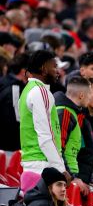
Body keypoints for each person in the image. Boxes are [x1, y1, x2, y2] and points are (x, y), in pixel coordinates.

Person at [18, 50, 69, 193]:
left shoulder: (27, 91)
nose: (58, 71)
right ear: (44, 68)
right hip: (42, 165)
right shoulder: (40, 92)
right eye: (54, 66)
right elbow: (45, 136)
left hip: (32, 163)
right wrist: (60, 169)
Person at [54, 76, 91, 195]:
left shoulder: (73, 113)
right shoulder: (65, 113)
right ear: (81, 95)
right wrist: (71, 176)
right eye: (89, 94)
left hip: (68, 176)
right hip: (63, 176)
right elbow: (58, 148)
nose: (90, 98)